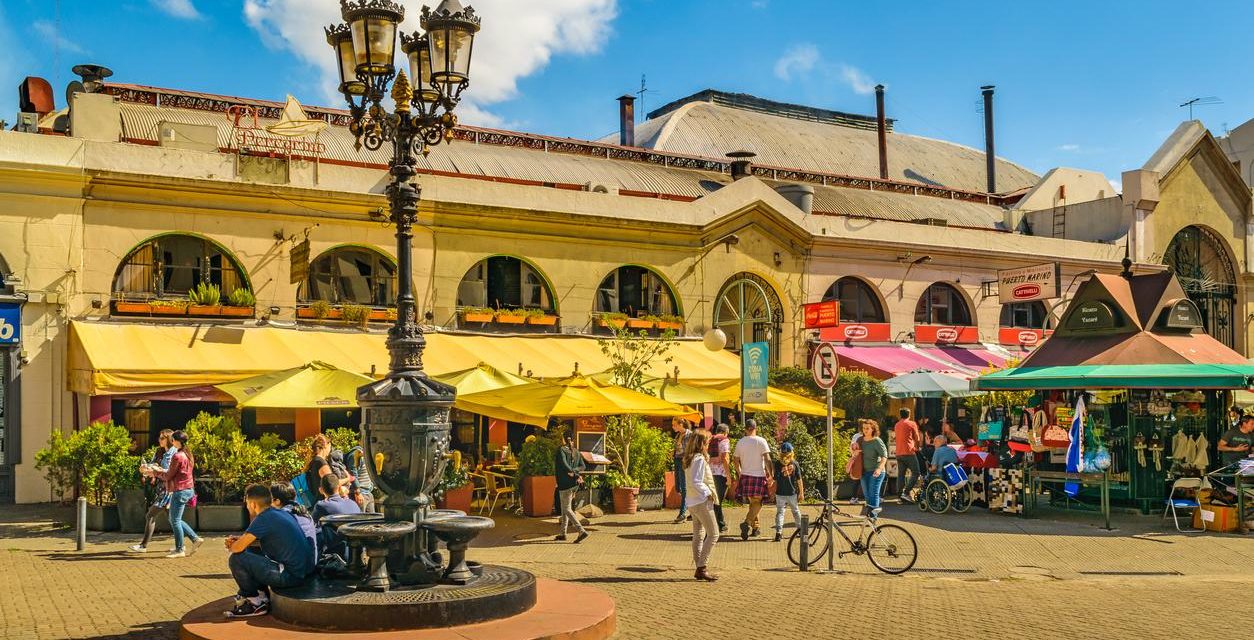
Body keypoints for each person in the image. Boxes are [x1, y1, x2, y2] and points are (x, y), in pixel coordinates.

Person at [224, 484, 316, 618]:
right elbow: (257, 539)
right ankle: (261, 595)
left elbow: (237, 548)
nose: (247, 506)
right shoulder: (279, 513)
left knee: (236, 559)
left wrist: (232, 544)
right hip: (302, 571)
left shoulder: (263, 518)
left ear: (253, 504)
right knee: (250, 550)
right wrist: (240, 540)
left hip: (290, 576)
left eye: (247, 503)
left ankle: (254, 602)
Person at [152, 429, 203, 558]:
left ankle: (180, 549)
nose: (172, 442)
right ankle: (195, 539)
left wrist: (155, 472)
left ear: (176, 441)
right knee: (175, 519)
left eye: (172, 440)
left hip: (179, 490)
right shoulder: (187, 454)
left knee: (174, 520)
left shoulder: (177, 456)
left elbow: (168, 475)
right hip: (187, 489)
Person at [130, 429, 175, 554]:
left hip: (168, 489)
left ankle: (143, 546)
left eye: (162, 438)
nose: (159, 440)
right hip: (160, 488)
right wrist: (145, 468)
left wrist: (156, 469)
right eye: (159, 438)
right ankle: (189, 540)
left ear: (169, 439)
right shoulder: (159, 451)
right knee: (173, 519)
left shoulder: (173, 453)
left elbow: (169, 471)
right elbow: (152, 465)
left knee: (150, 515)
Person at [684, 428, 719, 582]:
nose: (709, 444)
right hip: (701, 501)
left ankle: (699, 567)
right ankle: (702, 567)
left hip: (692, 501)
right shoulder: (698, 459)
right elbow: (696, 481)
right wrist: (708, 493)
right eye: (707, 442)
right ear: (701, 443)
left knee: (698, 535)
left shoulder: (690, 458)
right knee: (713, 534)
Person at [733, 419, 773, 540]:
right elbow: (767, 459)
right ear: (756, 428)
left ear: (745, 429)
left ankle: (755, 528)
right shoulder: (761, 441)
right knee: (757, 503)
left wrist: (740, 473)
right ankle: (746, 523)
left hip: (745, 476)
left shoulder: (740, 442)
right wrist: (771, 475)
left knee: (753, 503)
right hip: (758, 476)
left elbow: (735, 461)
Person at [311, 474, 361, 561]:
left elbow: (311, 524)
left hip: (338, 554)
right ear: (339, 487)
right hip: (357, 552)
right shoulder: (353, 503)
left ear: (321, 490)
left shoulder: (321, 505)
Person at [554, 430, 589, 543]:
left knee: (566, 508)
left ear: (563, 438)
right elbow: (583, 466)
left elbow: (564, 465)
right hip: (574, 484)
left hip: (564, 484)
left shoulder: (561, 450)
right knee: (565, 507)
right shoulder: (576, 451)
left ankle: (581, 531)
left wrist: (572, 473)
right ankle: (563, 533)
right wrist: (575, 472)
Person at [270, 482, 317, 560]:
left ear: (277, 501)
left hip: (293, 565)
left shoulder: (281, 516)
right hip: (311, 562)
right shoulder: (304, 512)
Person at [771, 442, 804, 542]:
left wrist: (773, 492)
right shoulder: (795, 463)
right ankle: (800, 530)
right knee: (796, 511)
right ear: (791, 452)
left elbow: (775, 480)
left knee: (780, 512)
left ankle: (778, 533)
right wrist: (801, 493)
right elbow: (799, 480)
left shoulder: (777, 464)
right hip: (792, 493)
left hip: (780, 493)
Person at [859, 419, 888, 519]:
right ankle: (870, 514)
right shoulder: (861, 440)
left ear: (873, 429)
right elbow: (854, 452)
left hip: (876, 471)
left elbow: (884, 456)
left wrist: (879, 468)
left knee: (873, 494)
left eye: (867, 428)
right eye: (864, 428)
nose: (865, 430)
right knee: (867, 495)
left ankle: (872, 517)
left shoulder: (877, 441)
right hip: (863, 471)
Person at [894, 408, 922, 503]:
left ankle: (899, 496)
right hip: (909, 451)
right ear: (909, 415)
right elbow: (917, 438)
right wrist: (917, 447)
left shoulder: (897, 425)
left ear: (900, 415)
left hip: (899, 452)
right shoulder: (912, 423)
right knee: (916, 472)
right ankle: (906, 492)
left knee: (901, 474)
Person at [707, 423, 731, 533]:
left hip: (710, 472)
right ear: (726, 432)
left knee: (715, 500)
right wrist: (729, 476)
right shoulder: (724, 440)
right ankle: (714, 526)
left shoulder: (710, 439)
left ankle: (720, 524)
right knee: (717, 501)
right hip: (720, 473)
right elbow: (725, 459)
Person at [671, 420, 692, 524]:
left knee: (684, 488)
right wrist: (673, 452)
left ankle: (682, 514)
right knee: (678, 487)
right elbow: (678, 448)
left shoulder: (690, 435)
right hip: (677, 460)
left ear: (681, 424)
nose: (672, 427)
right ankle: (693, 511)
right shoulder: (678, 435)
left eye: (674, 425)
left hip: (684, 462)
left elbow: (691, 449)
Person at [305, 434, 337, 500]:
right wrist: (347, 479)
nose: (330, 450)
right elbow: (332, 483)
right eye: (330, 447)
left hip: (317, 499)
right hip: (325, 500)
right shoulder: (321, 463)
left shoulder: (314, 461)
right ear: (325, 446)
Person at [345, 444, 375, 513]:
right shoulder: (355, 454)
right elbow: (353, 474)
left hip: (368, 493)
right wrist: (358, 493)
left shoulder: (367, 455)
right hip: (360, 494)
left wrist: (371, 487)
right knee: (360, 518)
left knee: (373, 518)